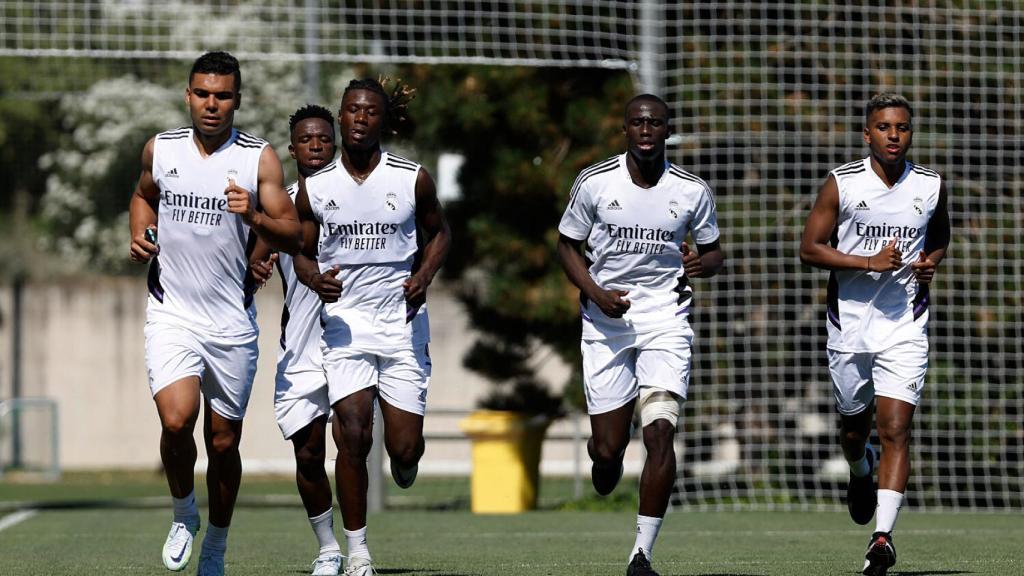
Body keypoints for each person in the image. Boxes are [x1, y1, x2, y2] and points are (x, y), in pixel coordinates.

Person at [128, 51, 301, 576]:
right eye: (202, 93)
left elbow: (293, 232)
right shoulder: (162, 149)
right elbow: (142, 196)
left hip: (230, 322)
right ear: (188, 95)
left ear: (237, 101)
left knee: (224, 442)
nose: (211, 103)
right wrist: (140, 234)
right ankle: (184, 514)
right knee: (177, 419)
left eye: (222, 95)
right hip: (172, 312)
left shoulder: (259, 159)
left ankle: (217, 547)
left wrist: (252, 213)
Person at [556, 94, 723, 576]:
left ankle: (642, 553)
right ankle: (603, 461)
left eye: (655, 123)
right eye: (637, 122)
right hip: (606, 322)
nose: (646, 130)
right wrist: (595, 290)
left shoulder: (691, 190)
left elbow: (715, 254)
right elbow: (566, 246)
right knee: (608, 452)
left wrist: (700, 263)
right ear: (625, 129)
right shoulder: (594, 182)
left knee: (660, 430)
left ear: (666, 130)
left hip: (666, 319)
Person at [294, 78, 450, 576]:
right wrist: (315, 279)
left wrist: (423, 276)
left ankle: (407, 462)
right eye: (352, 111)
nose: (360, 119)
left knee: (403, 446)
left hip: (402, 327)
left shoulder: (411, 178)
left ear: (383, 120)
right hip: (344, 328)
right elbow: (300, 250)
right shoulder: (315, 189)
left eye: (370, 112)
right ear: (341, 118)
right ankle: (357, 552)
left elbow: (440, 233)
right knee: (353, 436)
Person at [799, 93, 950, 576]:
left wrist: (930, 263)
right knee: (852, 430)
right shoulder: (842, 184)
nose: (893, 135)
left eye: (902, 128)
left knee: (896, 429)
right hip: (850, 326)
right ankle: (859, 467)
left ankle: (881, 539)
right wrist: (866, 262)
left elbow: (940, 234)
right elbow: (810, 249)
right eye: (883, 127)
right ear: (868, 134)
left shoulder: (930, 185)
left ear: (911, 134)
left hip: (905, 323)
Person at [264, 104, 343, 575]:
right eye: (306, 140)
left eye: (323, 139)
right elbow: (254, 254)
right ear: (291, 148)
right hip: (300, 344)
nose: (316, 146)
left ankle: (358, 549)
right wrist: (257, 266)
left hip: (353, 338)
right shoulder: (280, 205)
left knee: (354, 439)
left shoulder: (360, 194)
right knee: (309, 451)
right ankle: (328, 548)